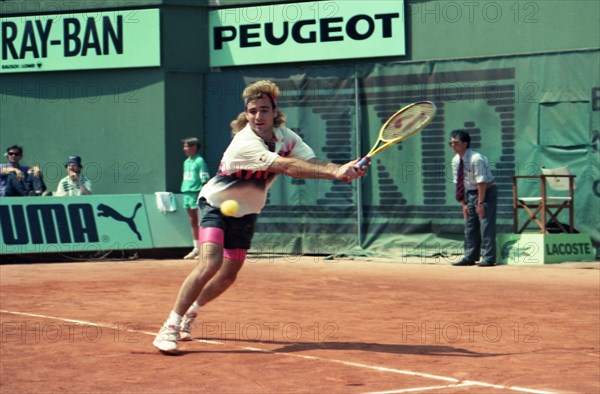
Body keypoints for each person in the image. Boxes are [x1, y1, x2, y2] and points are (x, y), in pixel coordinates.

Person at [153, 80, 367, 354]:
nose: (258, 116)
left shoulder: (286, 136)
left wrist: (340, 168)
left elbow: (310, 162)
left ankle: (190, 312)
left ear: (274, 111)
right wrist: (335, 173)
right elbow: (288, 166)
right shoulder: (244, 142)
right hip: (215, 205)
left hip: (247, 212)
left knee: (229, 276)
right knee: (211, 263)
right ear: (246, 113)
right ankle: (169, 326)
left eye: (264, 110)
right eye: (252, 110)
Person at [449, 130, 497, 267]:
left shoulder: (477, 159)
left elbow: (482, 183)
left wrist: (481, 203)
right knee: (470, 226)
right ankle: (470, 256)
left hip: (486, 192)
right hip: (470, 193)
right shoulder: (455, 160)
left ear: (465, 144)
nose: (453, 145)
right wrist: (463, 204)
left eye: (456, 143)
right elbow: (459, 183)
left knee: (485, 224)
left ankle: (489, 258)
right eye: (450, 143)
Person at [180, 137, 211, 260]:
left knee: (201, 222)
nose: (184, 149)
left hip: (196, 194)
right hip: (186, 193)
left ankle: (205, 249)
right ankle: (196, 248)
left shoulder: (200, 161)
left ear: (194, 147)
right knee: (192, 221)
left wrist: (203, 195)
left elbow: (204, 180)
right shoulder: (186, 162)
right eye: (184, 146)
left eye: (187, 146)